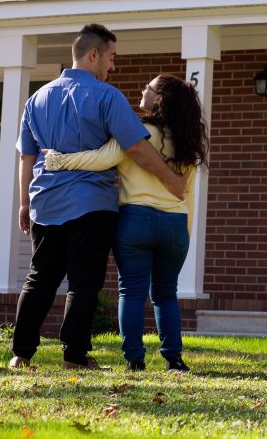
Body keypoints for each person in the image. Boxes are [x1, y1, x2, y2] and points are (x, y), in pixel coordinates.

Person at [9, 24, 185, 371]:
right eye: (111, 57)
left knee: (39, 278)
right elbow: (136, 147)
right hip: (92, 205)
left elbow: (26, 157)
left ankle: (21, 354)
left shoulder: (37, 98)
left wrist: (24, 203)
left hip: (45, 202)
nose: (113, 67)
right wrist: (170, 179)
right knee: (84, 282)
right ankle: (74, 355)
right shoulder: (107, 97)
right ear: (94, 54)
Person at [45, 74, 208, 372]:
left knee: (131, 292)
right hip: (175, 224)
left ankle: (134, 360)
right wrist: (184, 231)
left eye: (149, 87)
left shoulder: (136, 131)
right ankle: (174, 359)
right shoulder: (188, 141)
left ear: (159, 99)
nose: (142, 89)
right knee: (166, 293)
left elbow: (100, 158)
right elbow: (189, 195)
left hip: (136, 220)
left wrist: (58, 160)